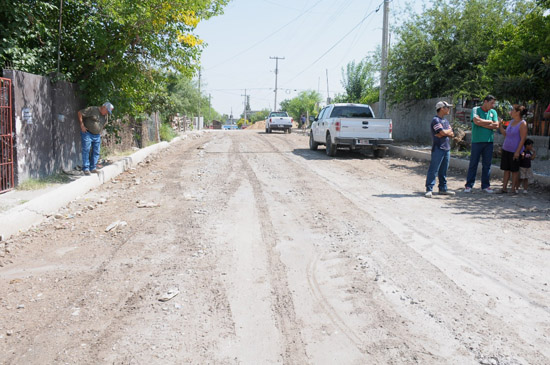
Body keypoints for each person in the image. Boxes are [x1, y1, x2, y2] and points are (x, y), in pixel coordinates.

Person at [464, 95, 499, 193]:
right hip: (477, 141)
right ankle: (469, 185)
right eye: (491, 103)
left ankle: (485, 185)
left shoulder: (493, 112)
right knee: (473, 163)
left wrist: (482, 122)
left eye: (494, 103)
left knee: (487, 165)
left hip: (489, 142)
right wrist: (489, 122)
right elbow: (476, 121)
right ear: (485, 101)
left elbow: (496, 125)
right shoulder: (475, 109)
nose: (493, 105)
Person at [425, 101, 456, 198]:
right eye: (447, 107)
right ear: (442, 108)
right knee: (434, 169)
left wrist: (444, 133)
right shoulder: (435, 120)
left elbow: (451, 133)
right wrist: (445, 133)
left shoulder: (445, 121)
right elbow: (443, 132)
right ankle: (429, 189)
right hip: (438, 148)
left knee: (444, 170)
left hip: (446, 148)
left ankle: (443, 188)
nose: (449, 109)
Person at [497, 104, 528, 194]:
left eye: (513, 110)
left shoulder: (523, 123)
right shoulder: (511, 121)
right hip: (506, 148)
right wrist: (500, 125)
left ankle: (513, 189)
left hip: (515, 150)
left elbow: (523, 138)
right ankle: (504, 188)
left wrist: (518, 151)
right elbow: (506, 134)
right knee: (506, 169)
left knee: (514, 170)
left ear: (518, 112)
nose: (511, 112)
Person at [77, 102, 114, 175]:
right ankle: (86, 169)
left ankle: (93, 168)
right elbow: (80, 113)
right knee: (86, 150)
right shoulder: (93, 109)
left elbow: (104, 123)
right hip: (87, 133)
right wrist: (82, 125)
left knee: (96, 151)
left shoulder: (106, 115)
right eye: (107, 111)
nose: (107, 113)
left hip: (97, 135)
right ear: (103, 107)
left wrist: (99, 130)